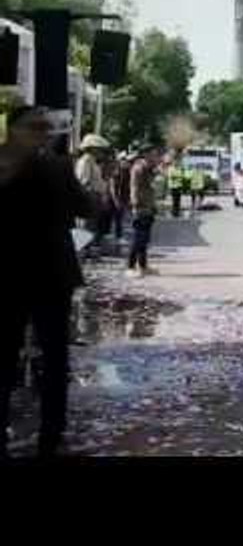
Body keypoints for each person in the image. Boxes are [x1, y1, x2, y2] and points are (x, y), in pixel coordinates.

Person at [0, 105, 95, 457]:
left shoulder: (45, 166)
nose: (42, 132)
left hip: (23, 277)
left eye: (44, 127)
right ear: (12, 129)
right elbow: (87, 208)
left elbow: (86, 207)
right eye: (36, 126)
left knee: (45, 358)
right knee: (48, 358)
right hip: (45, 275)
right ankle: (50, 436)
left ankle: (48, 434)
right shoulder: (56, 167)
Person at [128, 144, 160, 279]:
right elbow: (134, 187)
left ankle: (143, 266)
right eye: (153, 154)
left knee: (145, 239)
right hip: (141, 207)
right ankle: (130, 267)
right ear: (146, 154)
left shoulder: (148, 168)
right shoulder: (139, 168)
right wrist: (136, 205)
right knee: (138, 239)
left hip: (148, 206)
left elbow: (153, 181)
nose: (156, 157)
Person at [75, 133, 111, 249]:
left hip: (94, 198)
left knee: (91, 227)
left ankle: (85, 251)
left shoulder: (92, 161)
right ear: (92, 148)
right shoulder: (85, 161)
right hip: (89, 197)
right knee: (85, 227)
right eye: (99, 149)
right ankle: (80, 253)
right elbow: (84, 182)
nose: (101, 152)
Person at [110, 153, 132, 241]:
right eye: (123, 160)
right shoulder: (117, 172)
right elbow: (112, 187)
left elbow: (129, 186)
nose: (125, 162)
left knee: (120, 217)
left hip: (123, 197)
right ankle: (117, 235)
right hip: (116, 198)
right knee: (117, 217)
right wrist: (115, 199)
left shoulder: (127, 172)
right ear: (120, 161)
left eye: (126, 160)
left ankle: (118, 235)